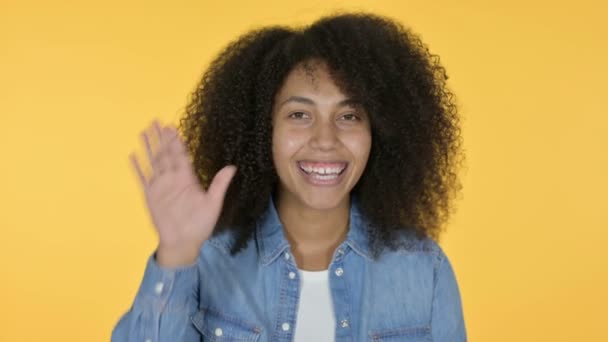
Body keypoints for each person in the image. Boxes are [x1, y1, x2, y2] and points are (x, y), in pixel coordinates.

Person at [112, 12, 466, 342]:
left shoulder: (424, 269)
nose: (325, 140)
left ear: (380, 132)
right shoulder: (202, 260)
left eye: (349, 116)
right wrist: (175, 255)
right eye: (299, 114)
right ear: (262, 130)